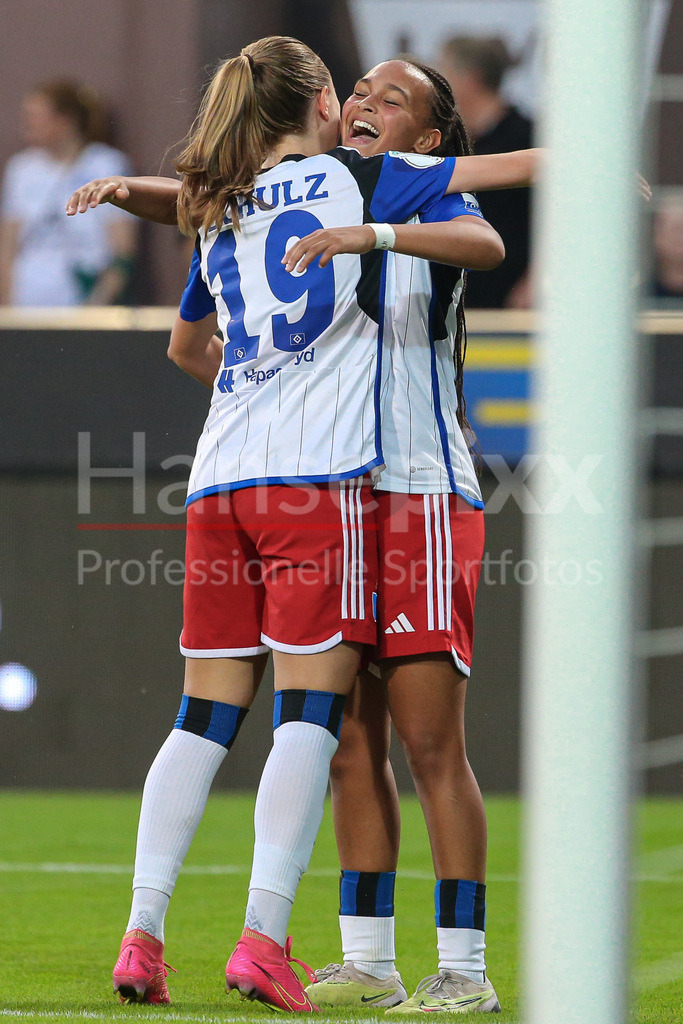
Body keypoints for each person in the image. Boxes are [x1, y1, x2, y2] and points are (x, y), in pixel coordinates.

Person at [68, 36, 534, 1014]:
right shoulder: (338, 184)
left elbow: (485, 244)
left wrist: (375, 238)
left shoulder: (409, 193)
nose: (366, 100)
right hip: (328, 485)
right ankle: (365, 954)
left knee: (425, 740)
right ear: (321, 103)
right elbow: (203, 257)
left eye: (393, 96)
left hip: (414, 490)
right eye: (358, 87)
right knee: (342, 736)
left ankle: (461, 962)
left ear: (433, 135)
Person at [0, 80, 135, 306]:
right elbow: (8, 246)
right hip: (29, 294)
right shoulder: (21, 169)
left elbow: (123, 248)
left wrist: (99, 302)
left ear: (65, 120)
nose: (28, 125)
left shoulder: (106, 165)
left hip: (82, 289)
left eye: (36, 117)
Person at [436, 36, 534, 309]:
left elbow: (563, 218)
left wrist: (537, 280)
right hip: (455, 300)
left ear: (471, 78)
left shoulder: (527, 137)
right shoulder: (442, 144)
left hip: (512, 301)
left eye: (443, 74)